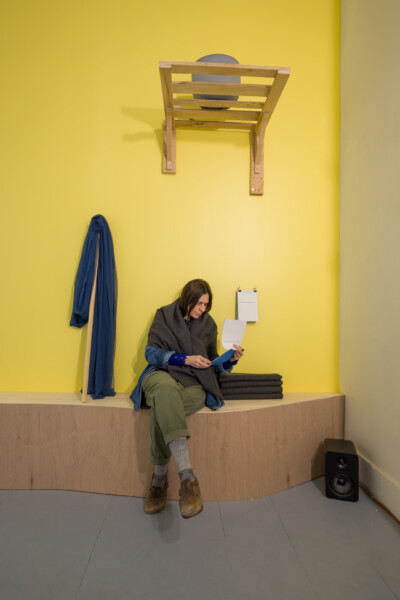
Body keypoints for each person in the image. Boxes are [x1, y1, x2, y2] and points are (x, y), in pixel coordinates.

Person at [130, 279, 243, 519]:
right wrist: (185, 359)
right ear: (187, 298)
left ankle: (159, 481)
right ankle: (187, 479)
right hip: (161, 375)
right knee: (164, 391)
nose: (203, 309)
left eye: (206, 304)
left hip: (193, 383)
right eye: (199, 303)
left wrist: (229, 360)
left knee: (163, 404)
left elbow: (213, 361)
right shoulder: (164, 315)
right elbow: (151, 353)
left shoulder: (209, 325)